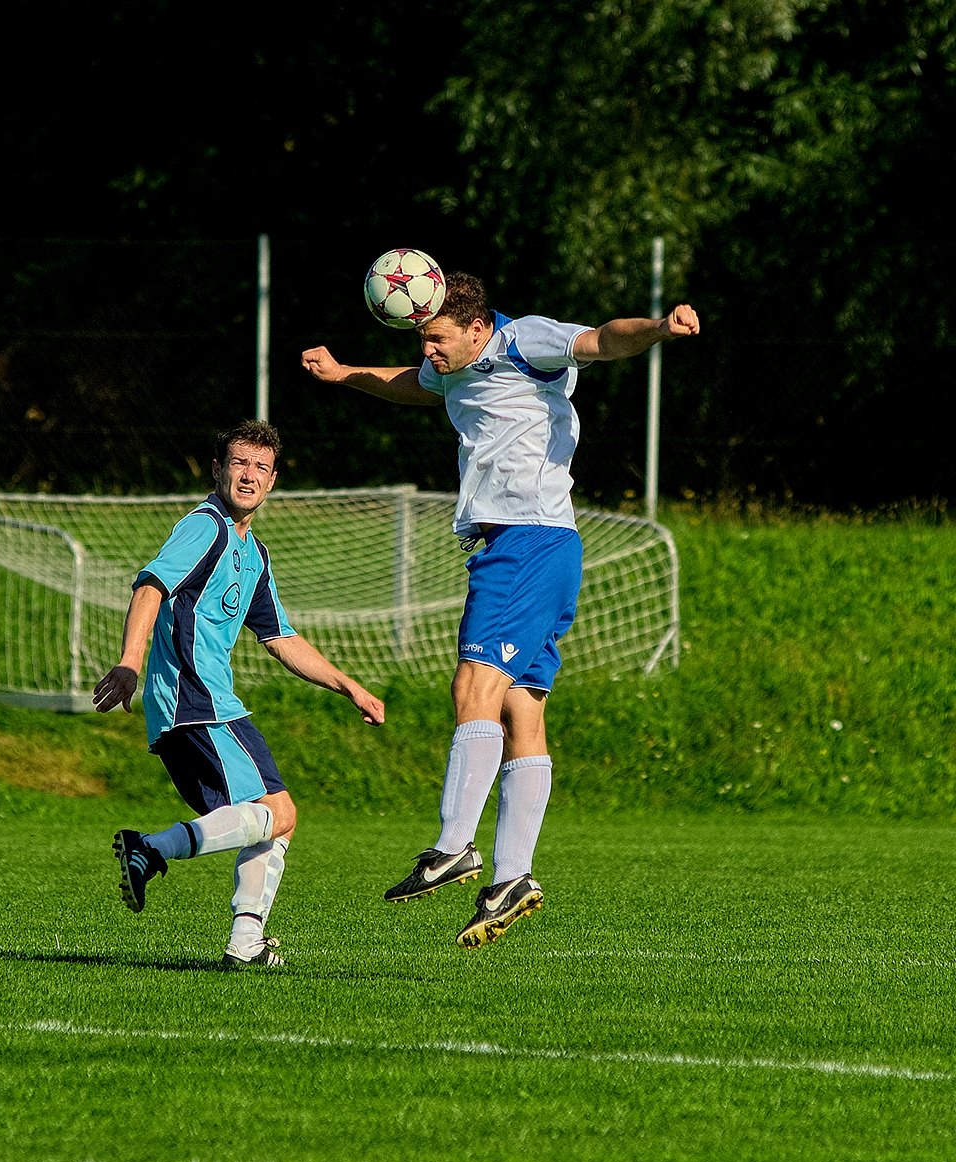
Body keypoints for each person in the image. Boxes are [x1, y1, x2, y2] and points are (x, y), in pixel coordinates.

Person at [301, 273, 700, 948]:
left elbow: (603, 340)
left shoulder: (523, 341)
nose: (427, 351)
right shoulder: (451, 364)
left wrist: (658, 329)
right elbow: (412, 384)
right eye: (422, 339)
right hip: (540, 546)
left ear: (477, 327)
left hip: (527, 542)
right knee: (521, 710)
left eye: (436, 338)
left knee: (472, 686)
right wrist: (344, 374)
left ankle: (454, 845)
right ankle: (512, 879)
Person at [93, 419, 386, 968]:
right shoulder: (206, 527)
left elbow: (280, 637)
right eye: (239, 463)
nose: (248, 475)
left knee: (273, 818)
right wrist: (130, 662)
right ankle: (151, 848)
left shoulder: (254, 554)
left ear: (273, 480)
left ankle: (245, 943)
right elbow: (151, 586)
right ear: (218, 470)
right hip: (196, 699)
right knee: (278, 811)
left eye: (260, 467)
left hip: (197, 704)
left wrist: (350, 687)